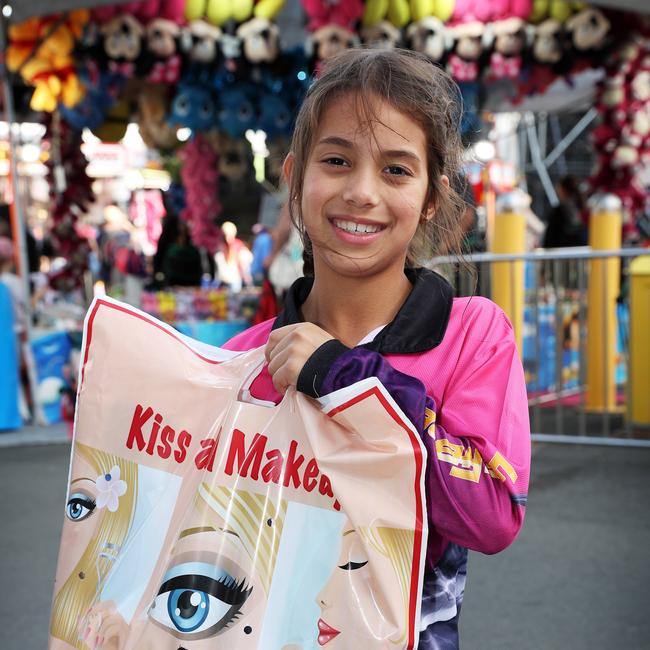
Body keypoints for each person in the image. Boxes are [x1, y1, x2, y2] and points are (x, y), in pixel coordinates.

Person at [222, 48, 530, 649]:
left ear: (431, 199)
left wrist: (344, 376)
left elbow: (493, 513)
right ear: (295, 178)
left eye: (396, 170)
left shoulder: (472, 334)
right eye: (336, 160)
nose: (362, 192)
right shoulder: (241, 358)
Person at [542, 175, 588, 248]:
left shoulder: (559, 211)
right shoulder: (586, 209)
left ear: (562, 190)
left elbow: (550, 238)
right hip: (583, 253)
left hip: (562, 254)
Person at [215, 221, 252, 291]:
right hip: (221, 279)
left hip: (235, 279)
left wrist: (246, 277)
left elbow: (245, 262)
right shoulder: (219, 246)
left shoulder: (238, 245)